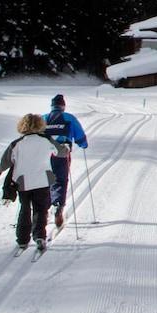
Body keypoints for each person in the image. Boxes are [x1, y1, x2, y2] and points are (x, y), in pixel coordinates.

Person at [0, 112, 56, 254]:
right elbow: (61, 152)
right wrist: (65, 149)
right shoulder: (47, 140)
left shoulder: (16, 144)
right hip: (42, 180)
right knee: (41, 209)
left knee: (25, 208)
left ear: (22, 126)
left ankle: (22, 239)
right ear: (40, 125)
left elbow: (5, 162)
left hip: (23, 182)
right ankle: (39, 236)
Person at [44, 94, 88, 231]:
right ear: (63, 106)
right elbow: (79, 135)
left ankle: (43, 210)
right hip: (62, 153)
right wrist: (83, 144)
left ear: (52, 106)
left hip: (44, 153)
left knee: (45, 180)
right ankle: (58, 206)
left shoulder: (44, 118)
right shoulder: (69, 118)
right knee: (60, 180)